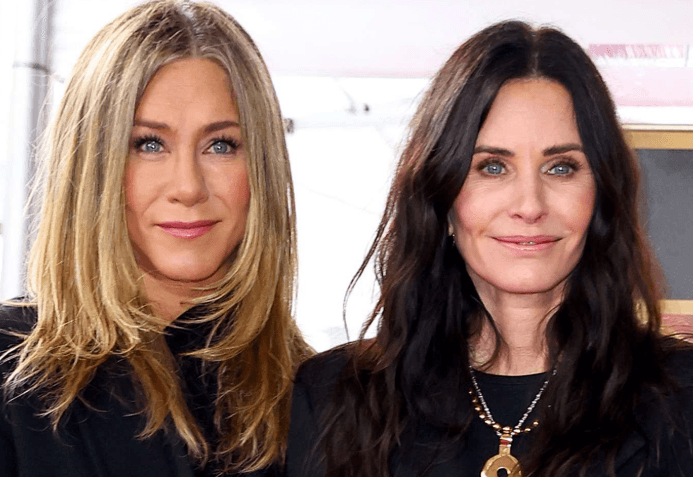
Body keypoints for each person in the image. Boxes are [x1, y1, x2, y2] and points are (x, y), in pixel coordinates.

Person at [285, 20, 693, 477]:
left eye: (561, 167)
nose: (529, 205)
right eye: (493, 167)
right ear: (441, 196)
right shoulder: (333, 399)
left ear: (602, 195)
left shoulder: (682, 397)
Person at [0, 1, 311, 476]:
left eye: (221, 145)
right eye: (148, 144)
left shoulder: (325, 398)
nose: (188, 187)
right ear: (92, 163)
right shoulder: (11, 371)